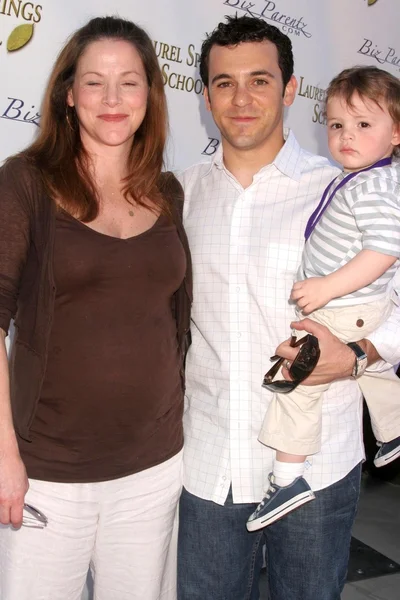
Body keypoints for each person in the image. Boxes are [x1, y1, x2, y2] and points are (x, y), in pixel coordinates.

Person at [177, 15, 400, 600]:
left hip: (318, 463)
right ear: (204, 96)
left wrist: (358, 353)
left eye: (260, 79)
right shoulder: (180, 193)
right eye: (224, 83)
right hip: (208, 458)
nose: (242, 98)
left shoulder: (344, 186)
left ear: (292, 88)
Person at [0, 16, 191, 600]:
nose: (112, 99)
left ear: (150, 95)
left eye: (129, 82)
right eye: (94, 82)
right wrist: (5, 456)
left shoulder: (168, 192)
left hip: (153, 468)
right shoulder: (23, 183)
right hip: (47, 473)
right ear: (67, 95)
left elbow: (175, 323)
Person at [248, 65, 400, 531]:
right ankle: (393, 430)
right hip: (349, 307)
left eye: (363, 125)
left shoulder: (376, 184)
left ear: (397, 132)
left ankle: (288, 478)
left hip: (345, 306)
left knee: (295, 380)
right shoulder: (356, 177)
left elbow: (384, 250)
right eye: (336, 125)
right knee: (370, 371)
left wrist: (326, 286)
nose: (346, 136)